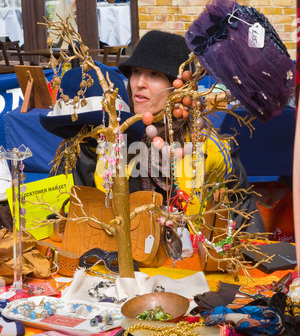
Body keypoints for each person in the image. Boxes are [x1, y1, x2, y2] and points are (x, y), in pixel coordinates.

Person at [94, 30, 265, 235]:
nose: (139, 83)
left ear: (178, 88)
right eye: (136, 72)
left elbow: (245, 217)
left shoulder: (209, 147)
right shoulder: (118, 140)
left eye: (154, 74)